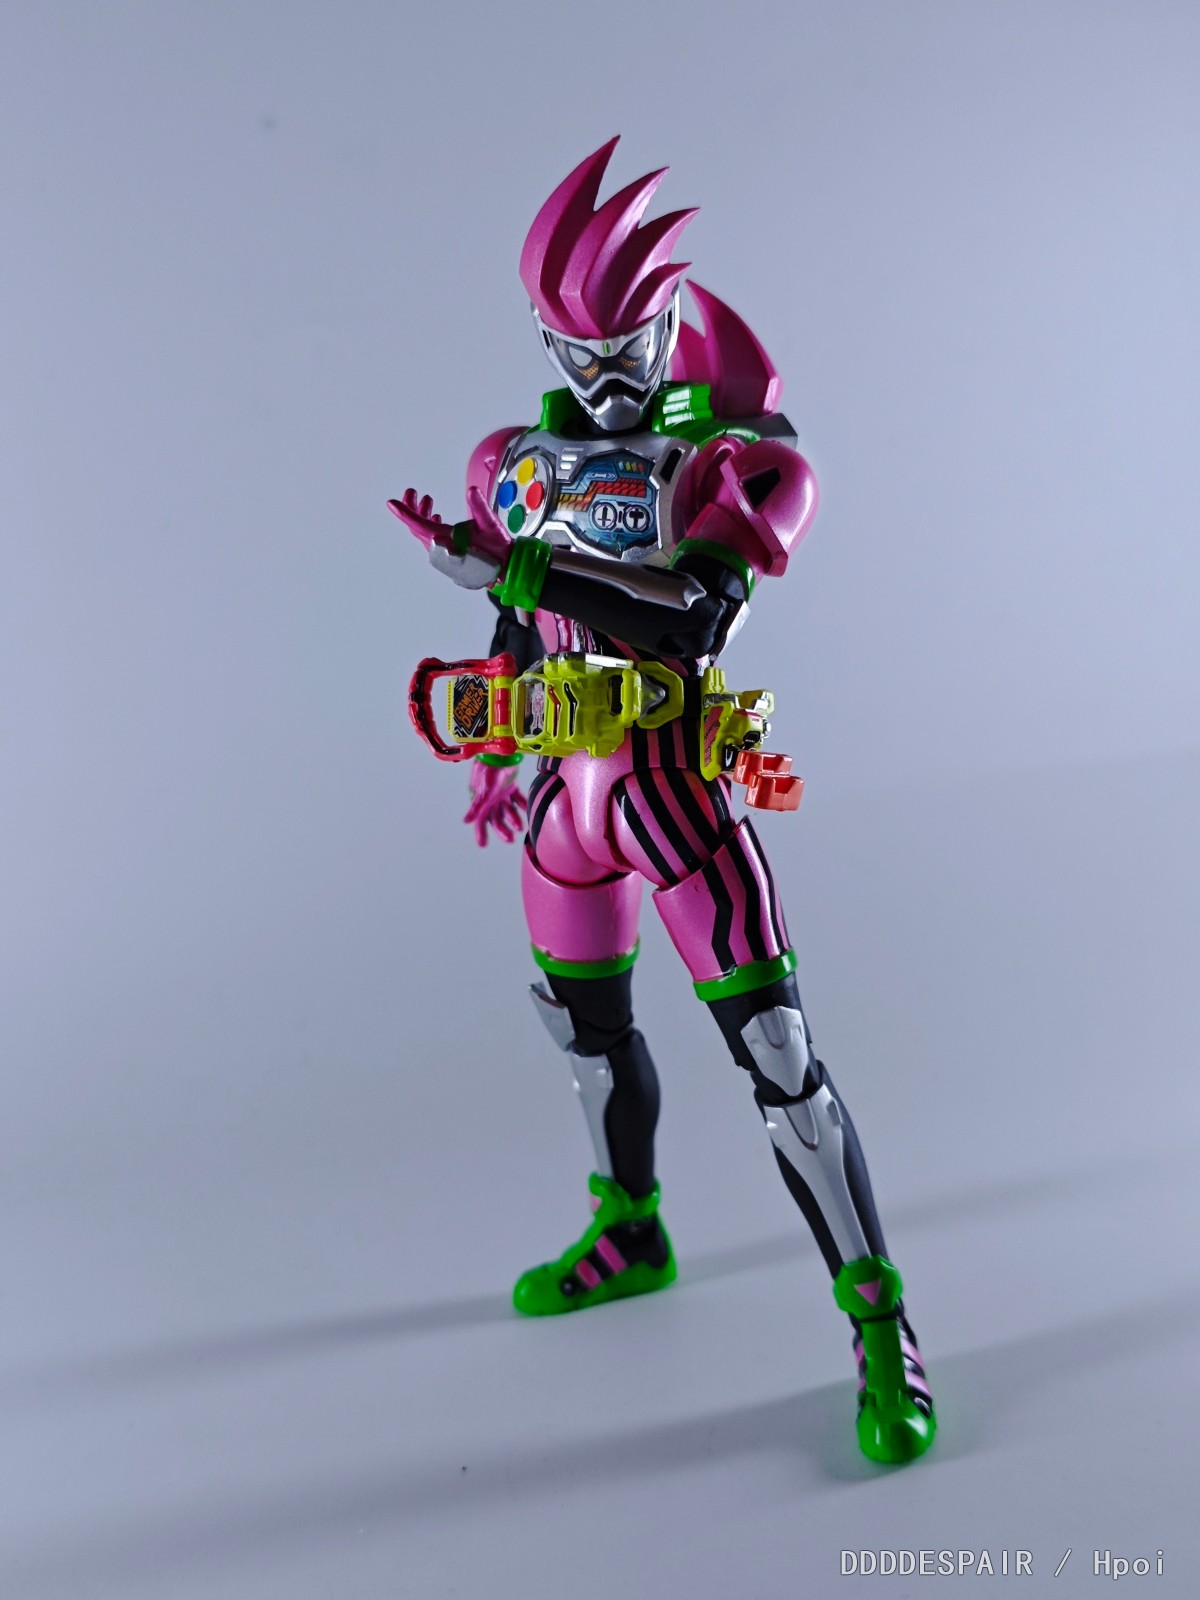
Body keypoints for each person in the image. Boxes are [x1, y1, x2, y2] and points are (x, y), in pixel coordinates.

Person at [391, 138, 936, 1464]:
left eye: (627, 346)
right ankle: (630, 1225)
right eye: (577, 350)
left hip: (677, 795)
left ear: (670, 322)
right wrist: (499, 732)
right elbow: (523, 634)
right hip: (564, 808)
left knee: (783, 1063)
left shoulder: (738, 464)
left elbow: (689, 617)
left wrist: (513, 574)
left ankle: (883, 1326)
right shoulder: (511, 464)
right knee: (584, 1037)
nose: (604, 378)